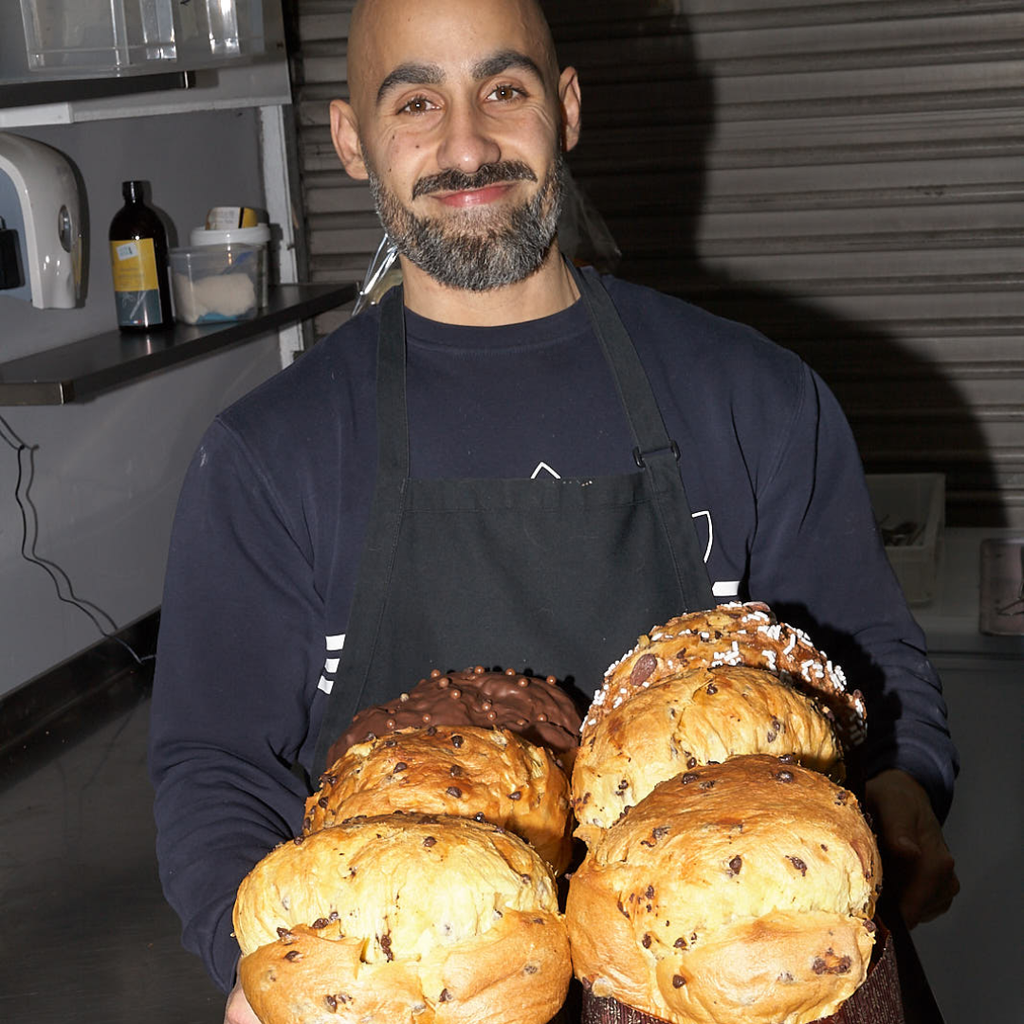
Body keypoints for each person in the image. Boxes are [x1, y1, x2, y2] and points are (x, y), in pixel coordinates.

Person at [147, 1, 960, 1021]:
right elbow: (214, 761)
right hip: (423, 988)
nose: (466, 142)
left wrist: (902, 791)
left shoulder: (750, 394)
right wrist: (257, 966)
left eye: (504, 89)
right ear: (350, 141)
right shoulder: (272, 454)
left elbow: (878, 669)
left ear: (565, 109)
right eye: (414, 101)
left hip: (746, 976)